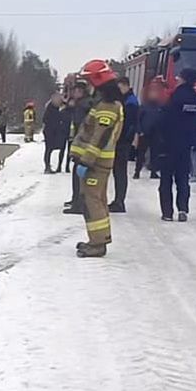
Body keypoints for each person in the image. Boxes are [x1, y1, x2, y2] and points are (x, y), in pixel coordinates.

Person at [69, 60, 124, 258]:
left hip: (96, 163)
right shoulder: (107, 103)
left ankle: (97, 244)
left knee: (91, 201)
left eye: (89, 81)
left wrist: (86, 160)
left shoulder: (107, 105)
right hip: (100, 162)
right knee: (97, 200)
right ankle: (99, 239)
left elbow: (99, 136)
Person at [149, 67, 196, 222]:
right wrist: (195, 141)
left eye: (179, 77)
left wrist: (159, 140)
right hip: (185, 146)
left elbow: (164, 121)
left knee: (166, 180)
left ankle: (167, 212)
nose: (177, 79)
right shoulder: (195, 99)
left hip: (169, 144)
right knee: (182, 179)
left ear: (184, 79)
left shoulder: (175, 98)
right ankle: (183, 209)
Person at [109, 76, 141, 213]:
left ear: (126, 86)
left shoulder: (130, 102)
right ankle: (118, 200)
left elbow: (129, 124)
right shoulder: (128, 100)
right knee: (118, 172)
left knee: (120, 172)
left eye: (120, 87)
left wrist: (122, 139)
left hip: (123, 142)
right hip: (123, 141)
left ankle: (119, 202)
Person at [62, 81, 92, 214]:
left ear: (80, 91)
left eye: (75, 91)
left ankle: (78, 203)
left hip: (81, 145)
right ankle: (76, 200)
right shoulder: (84, 104)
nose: (73, 93)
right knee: (78, 174)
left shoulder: (82, 105)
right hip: (81, 144)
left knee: (78, 174)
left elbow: (79, 125)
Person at [134, 77, 166, 179]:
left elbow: (162, 120)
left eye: (155, 93)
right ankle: (137, 172)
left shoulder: (160, 107)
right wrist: (139, 131)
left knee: (155, 154)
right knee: (141, 154)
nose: (154, 95)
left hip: (156, 134)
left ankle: (153, 172)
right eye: (152, 93)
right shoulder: (144, 106)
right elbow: (138, 120)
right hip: (145, 133)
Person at [42, 92, 68, 173]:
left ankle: (57, 166)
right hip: (50, 131)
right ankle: (47, 167)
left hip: (57, 131)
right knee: (48, 149)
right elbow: (45, 120)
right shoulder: (50, 108)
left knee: (58, 148)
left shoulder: (60, 107)